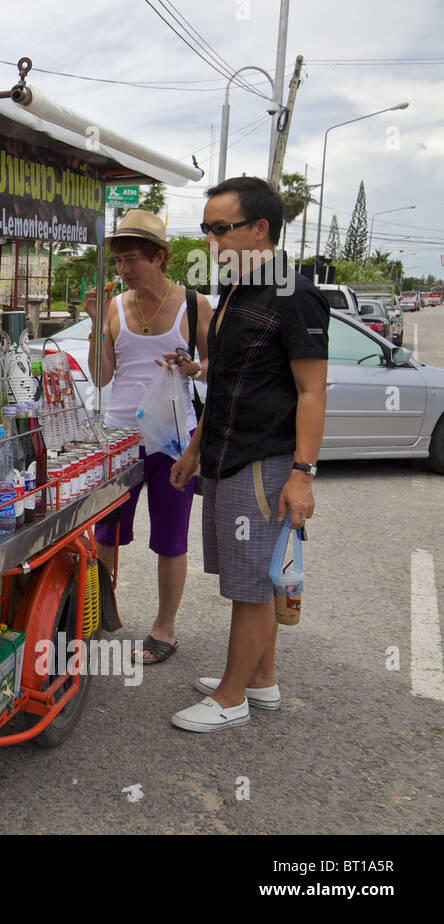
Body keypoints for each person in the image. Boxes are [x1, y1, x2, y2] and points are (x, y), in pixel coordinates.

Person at [168, 176, 329, 733]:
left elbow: (312, 391)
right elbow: (228, 382)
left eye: (221, 229)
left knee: (252, 585)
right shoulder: (235, 291)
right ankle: (260, 680)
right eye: (205, 230)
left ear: (260, 229)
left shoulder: (295, 294)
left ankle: (231, 698)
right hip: (223, 454)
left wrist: (302, 477)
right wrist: (195, 447)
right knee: (246, 577)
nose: (210, 241)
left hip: (264, 460)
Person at [83, 209, 213, 664]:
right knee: (106, 533)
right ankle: (97, 615)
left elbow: (218, 365)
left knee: (171, 536)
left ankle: (164, 629)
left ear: (160, 257)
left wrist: (195, 367)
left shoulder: (195, 304)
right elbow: (101, 378)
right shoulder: (116, 306)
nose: (123, 270)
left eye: (132, 259)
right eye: (118, 261)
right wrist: (99, 324)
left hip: (173, 440)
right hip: (119, 439)